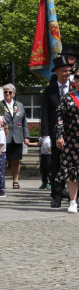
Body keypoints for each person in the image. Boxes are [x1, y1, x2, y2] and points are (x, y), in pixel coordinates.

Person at [41, 56, 73, 208]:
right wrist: (46, 136)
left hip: (74, 134)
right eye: (65, 71)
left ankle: (73, 196)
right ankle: (56, 195)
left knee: (73, 165)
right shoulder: (50, 90)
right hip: (55, 135)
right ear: (58, 72)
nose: (68, 73)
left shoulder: (75, 87)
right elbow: (45, 114)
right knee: (56, 165)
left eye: (69, 70)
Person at [54, 60, 79, 213]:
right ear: (75, 80)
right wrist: (59, 136)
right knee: (71, 172)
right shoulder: (68, 97)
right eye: (77, 78)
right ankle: (73, 202)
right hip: (71, 140)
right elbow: (60, 118)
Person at [1, 84, 30, 189]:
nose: (7, 94)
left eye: (9, 92)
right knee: (3, 160)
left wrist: (26, 136)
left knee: (15, 160)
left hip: (17, 136)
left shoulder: (20, 105)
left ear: (13, 93)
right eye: (5, 92)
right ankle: (1, 181)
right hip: (4, 137)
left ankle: (15, 181)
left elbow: (24, 122)